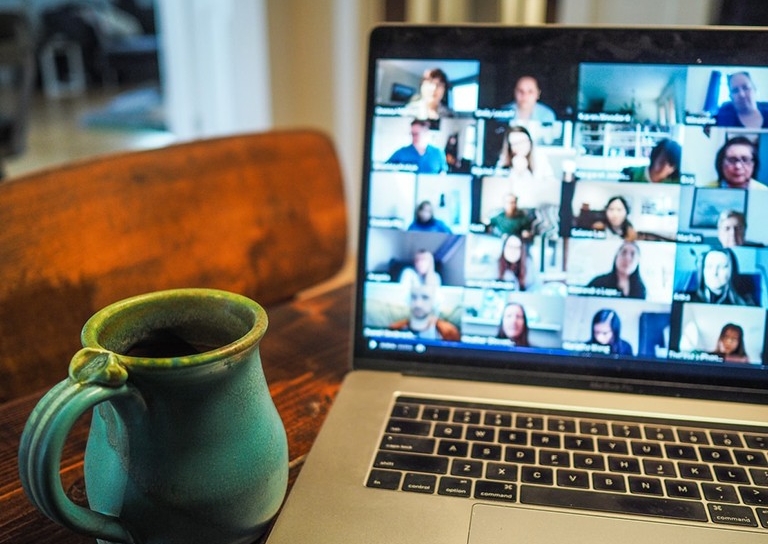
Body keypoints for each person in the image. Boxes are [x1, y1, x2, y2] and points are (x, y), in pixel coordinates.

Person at [388, 283, 460, 341]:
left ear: (434, 301)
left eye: (425, 297)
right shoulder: (395, 329)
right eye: (413, 297)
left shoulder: (449, 332)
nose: (418, 304)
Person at [688, 248, 755, 305]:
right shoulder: (688, 298)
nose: (714, 273)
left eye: (722, 267)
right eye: (709, 267)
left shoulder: (745, 302)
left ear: (732, 270)